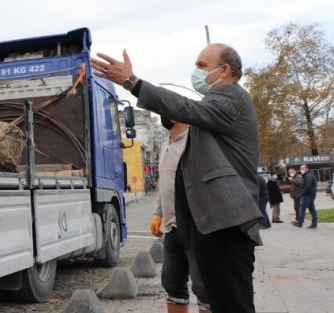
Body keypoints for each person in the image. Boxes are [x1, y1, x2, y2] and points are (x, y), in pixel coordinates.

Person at [91, 43, 262, 313]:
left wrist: (132, 82)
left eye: (202, 65)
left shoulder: (230, 97)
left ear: (225, 69)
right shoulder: (217, 103)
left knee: (233, 303)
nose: (197, 71)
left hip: (226, 224)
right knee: (221, 300)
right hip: (213, 226)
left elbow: (185, 108)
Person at [151, 116, 210, 313]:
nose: (162, 114)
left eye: (166, 109)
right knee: (172, 283)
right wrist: (157, 213)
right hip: (172, 229)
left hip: (195, 228)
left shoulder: (195, 142)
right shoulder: (165, 145)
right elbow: (163, 184)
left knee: (204, 287)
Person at [292, 164, 318, 228]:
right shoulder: (309, 175)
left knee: (302, 209)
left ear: (306, 168)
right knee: (312, 210)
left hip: (307, 195)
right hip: (310, 195)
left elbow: (308, 186)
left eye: (302, 169)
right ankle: (314, 224)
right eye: (300, 169)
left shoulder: (308, 176)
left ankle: (300, 223)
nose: (301, 170)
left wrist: (302, 193)